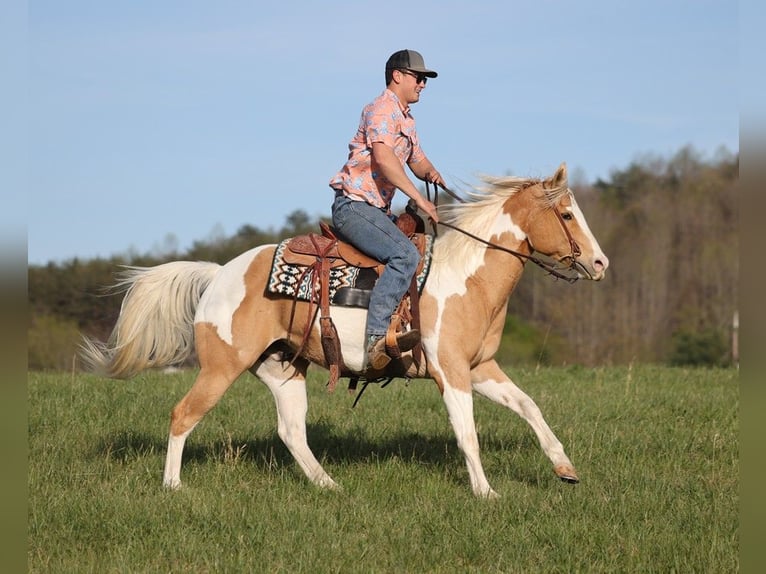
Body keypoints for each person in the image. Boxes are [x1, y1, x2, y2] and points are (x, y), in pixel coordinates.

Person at [329, 49, 445, 371]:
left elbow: (415, 159)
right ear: (398, 76)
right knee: (406, 256)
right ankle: (376, 340)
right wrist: (419, 198)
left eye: (425, 79)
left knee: (422, 247)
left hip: (375, 211)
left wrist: (431, 173)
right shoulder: (381, 109)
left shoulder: (406, 118)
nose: (423, 84)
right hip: (354, 207)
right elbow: (385, 160)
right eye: (418, 77)